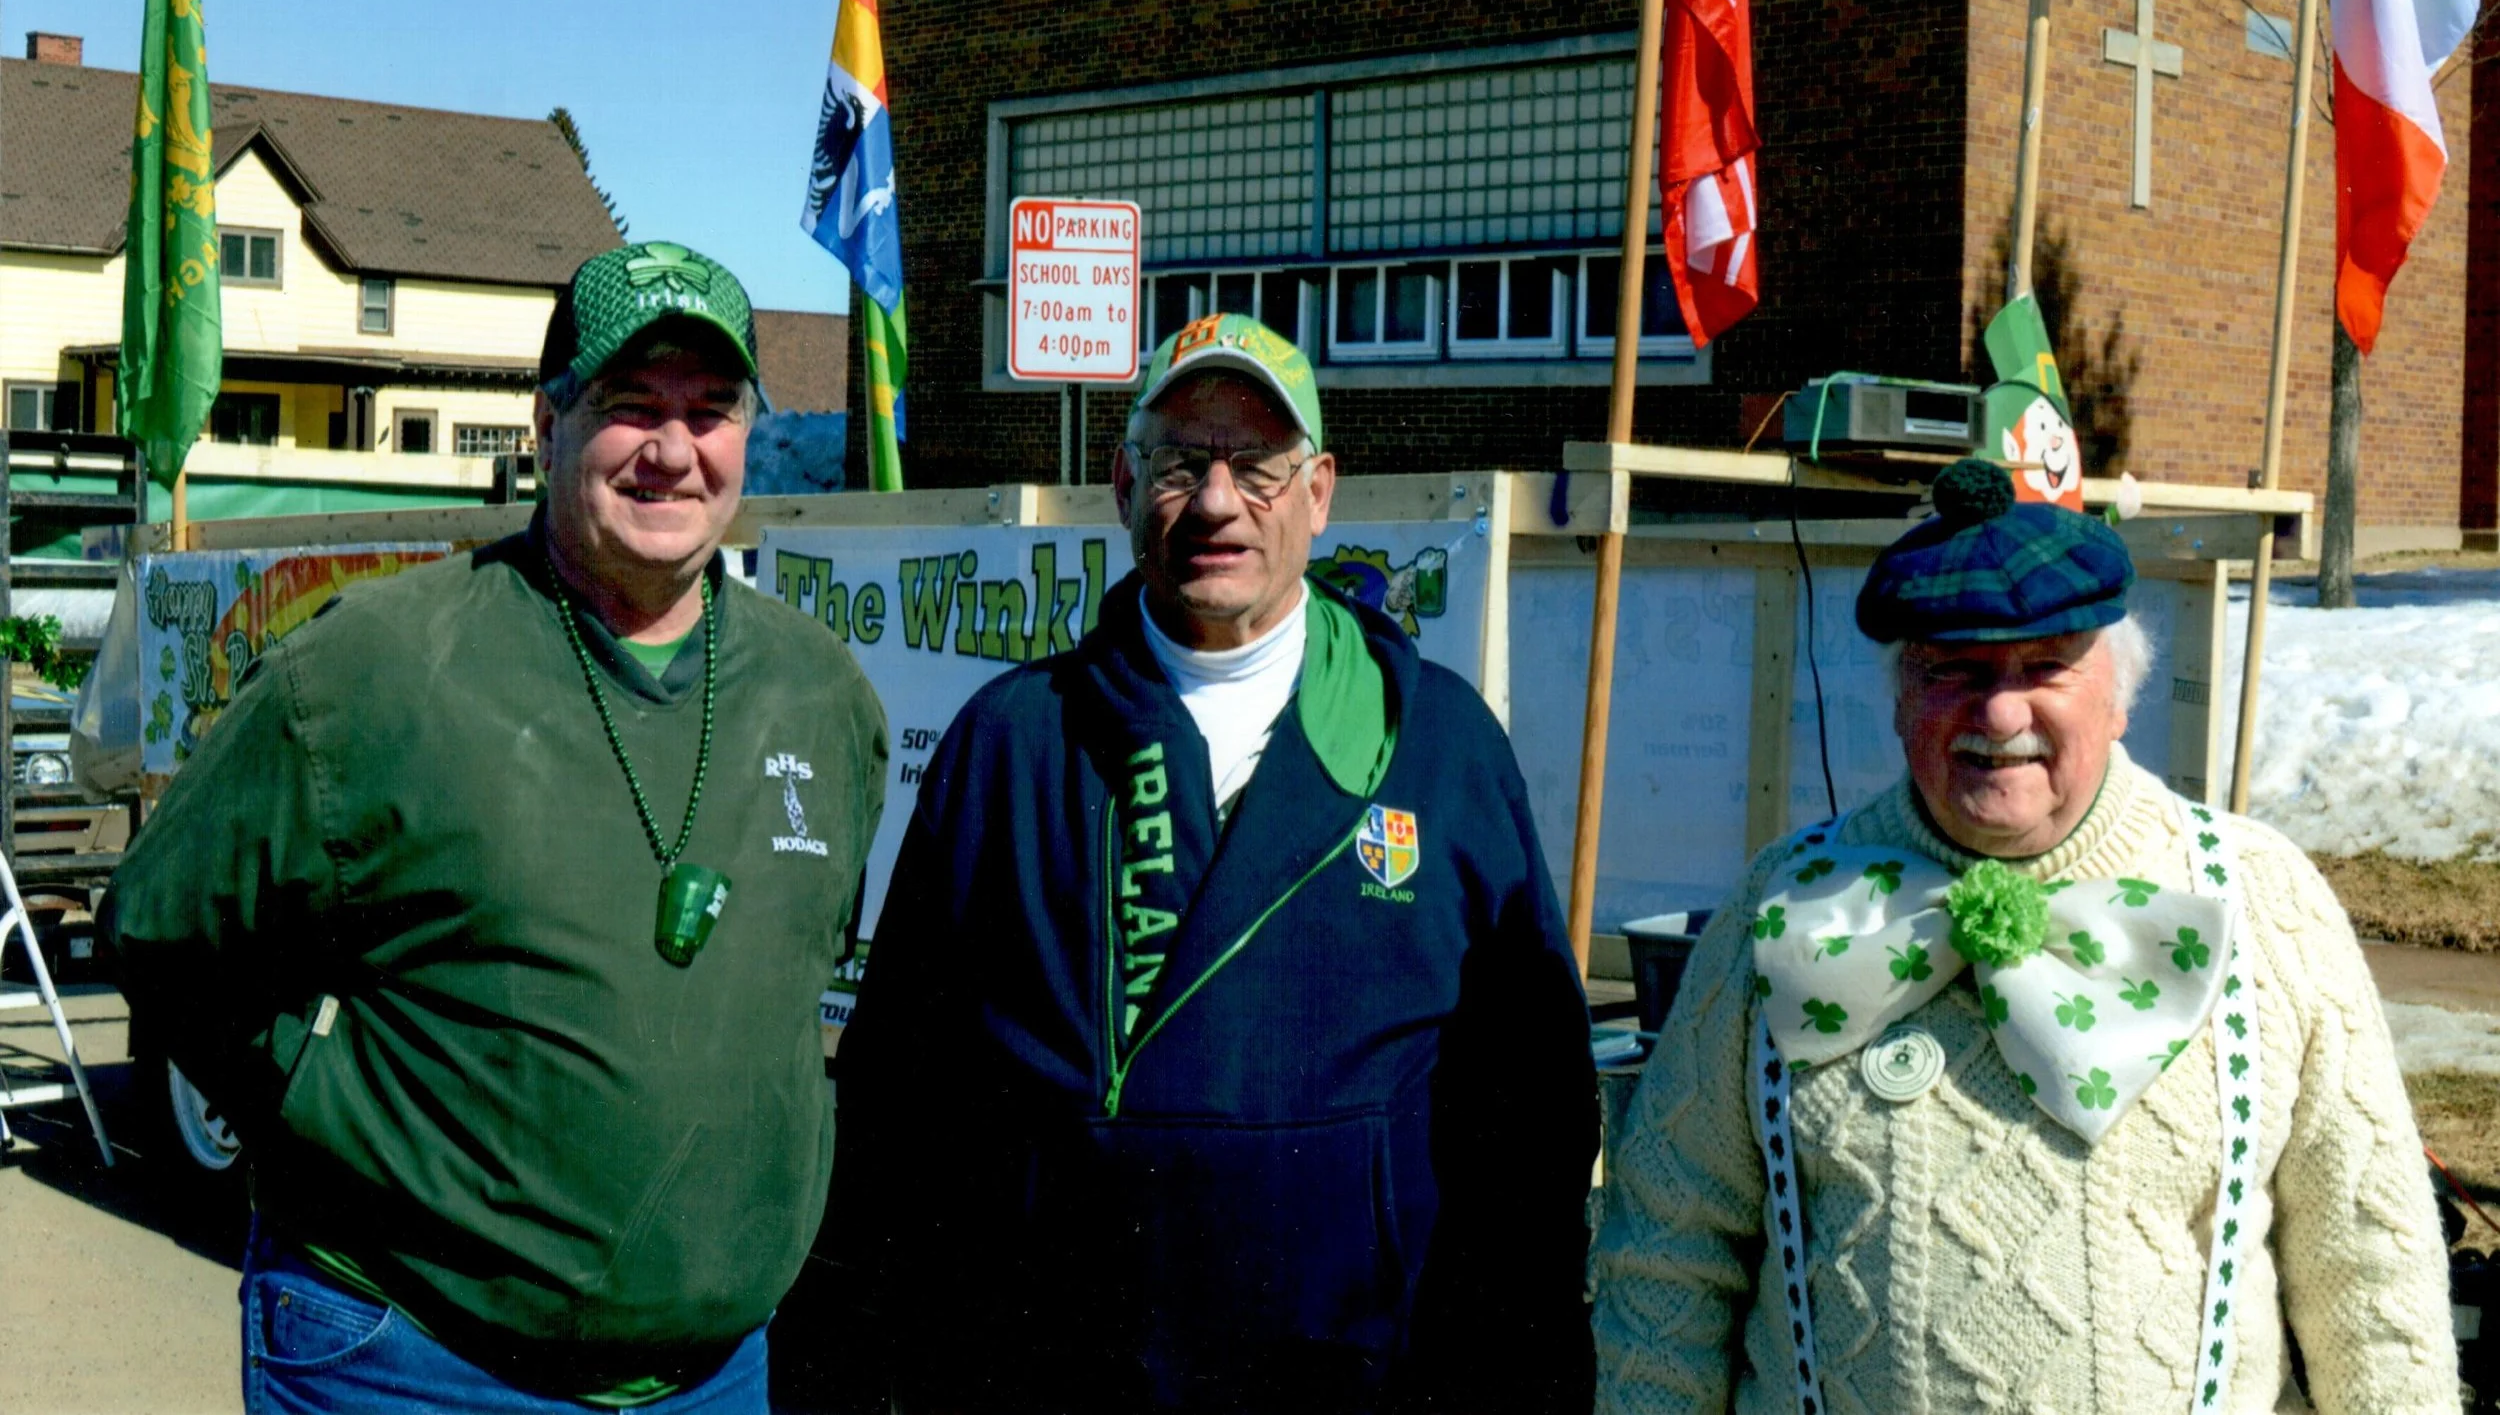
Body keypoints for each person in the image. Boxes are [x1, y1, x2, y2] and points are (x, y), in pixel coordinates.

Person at [103, 240, 888, 1414]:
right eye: (630, 406)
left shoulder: (823, 697)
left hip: (712, 1378)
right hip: (410, 1358)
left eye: (710, 410)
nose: (672, 451)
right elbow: (161, 927)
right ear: (546, 421)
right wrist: (335, 1110)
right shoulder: (368, 668)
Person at [829, 314, 1595, 1413]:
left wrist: (1519, 1363)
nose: (1220, 501)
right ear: (1122, 482)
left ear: (1321, 491)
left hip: (1363, 1377)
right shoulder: (1014, 741)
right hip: (1058, 1378)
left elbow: (1530, 1105)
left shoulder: (1437, 744)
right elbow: (902, 1099)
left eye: (1261, 466)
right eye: (1183, 461)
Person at [1591, 458, 2458, 1414]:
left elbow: (2374, 1274)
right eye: (1952, 669)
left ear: (2120, 693)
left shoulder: (2262, 902)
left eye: (2045, 666)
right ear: (1896, 698)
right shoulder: (1783, 911)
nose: (2001, 712)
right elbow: (1667, 1257)